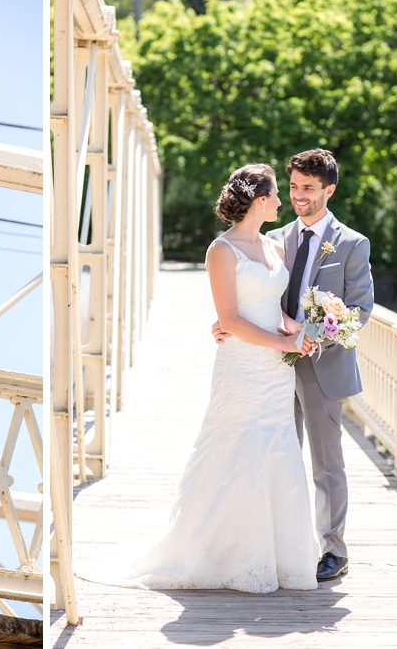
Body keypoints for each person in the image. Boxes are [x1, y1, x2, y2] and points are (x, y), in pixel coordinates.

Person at [86, 164, 318, 593]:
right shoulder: (221, 251)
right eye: (276, 194)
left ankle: (281, 557)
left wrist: (294, 330)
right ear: (260, 200)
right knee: (235, 446)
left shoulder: (272, 247)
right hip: (242, 366)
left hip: (274, 371)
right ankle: (221, 554)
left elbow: (270, 306)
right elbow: (229, 318)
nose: (283, 201)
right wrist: (282, 344)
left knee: (278, 448)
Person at [215, 149, 375, 581]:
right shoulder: (274, 237)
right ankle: (281, 545)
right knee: (279, 457)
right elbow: (256, 292)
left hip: (324, 365)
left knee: (327, 463)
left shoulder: (352, 243)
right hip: (272, 364)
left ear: (329, 190)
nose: (299, 195)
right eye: (293, 187)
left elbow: (360, 308)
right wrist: (227, 321)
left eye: (308, 188)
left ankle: (333, 551)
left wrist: (315, 337)